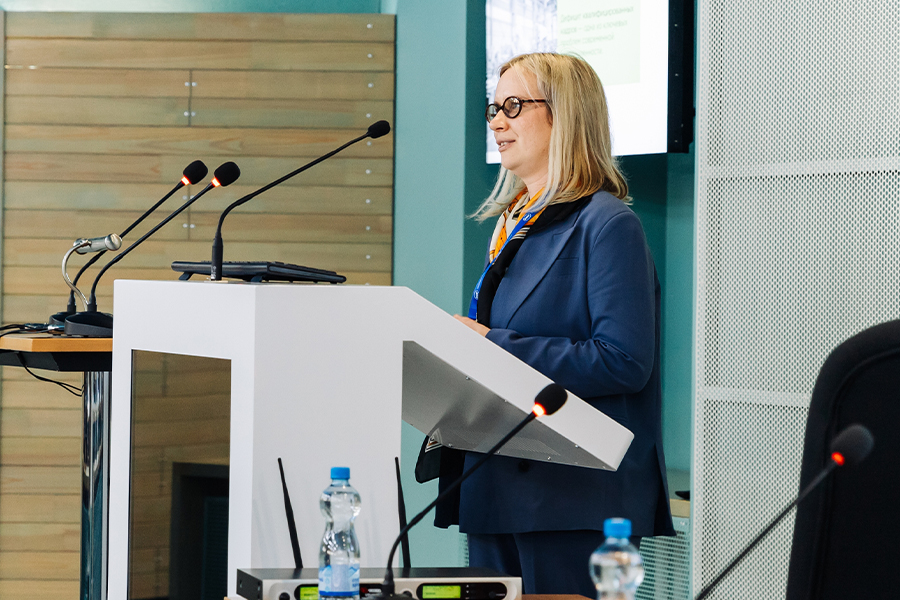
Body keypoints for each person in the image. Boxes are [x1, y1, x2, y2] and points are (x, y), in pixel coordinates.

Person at [449, 53, 675, 596]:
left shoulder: (608, 224)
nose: (497, 122)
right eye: (493, 109)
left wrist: (492, 345)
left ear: (566, 113)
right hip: (497, 481)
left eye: (514, 106)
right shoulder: (516, 223)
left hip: (571, 497)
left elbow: (624, 360)